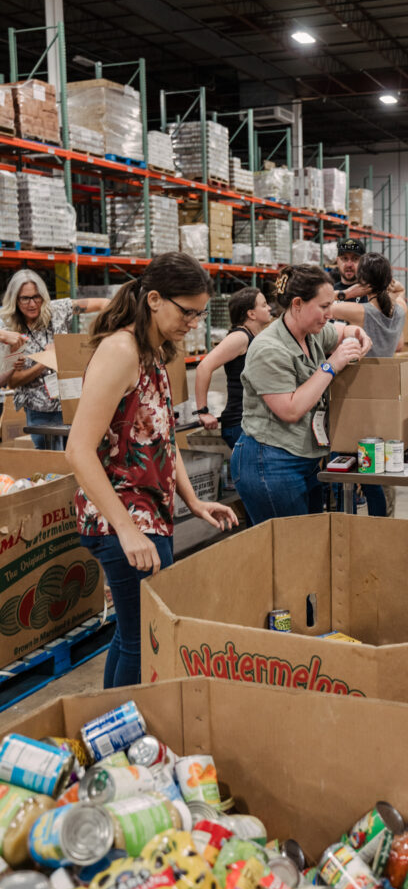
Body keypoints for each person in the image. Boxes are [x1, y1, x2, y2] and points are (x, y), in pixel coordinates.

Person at [66, 252, 238, 688]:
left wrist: (193, 501)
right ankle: (120, 740)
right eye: (188, 312)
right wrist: (126, 529)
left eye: (200, 314)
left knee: (131, 636)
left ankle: (107, 730)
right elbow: (78, 450)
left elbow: (160, 437)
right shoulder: (121, 351)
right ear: (155, 299)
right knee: (143, 639)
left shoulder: (152, 351)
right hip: (122, 518)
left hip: (148, 515)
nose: (194, 323)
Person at [231, 264, 372, 526]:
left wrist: (356, 332)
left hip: (304, 459)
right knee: (288, 549)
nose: (330, 314)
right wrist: (332, 365)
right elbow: (291, 409)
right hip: (270, 463)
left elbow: (340, 331)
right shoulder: (268, 349)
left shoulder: (311, 334)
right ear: (297, 304)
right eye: (323, 306)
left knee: (307, 544)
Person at [330, 251, 407, 518]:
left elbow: (323, 305)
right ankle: (382, 523)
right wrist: (384, 284)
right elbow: (399, 291)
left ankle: (347, 521)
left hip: (357, 391)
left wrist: (347, 293)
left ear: (363, 282)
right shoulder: (400, 309)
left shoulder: (360, 311)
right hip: (384, 392)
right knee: (377, 467)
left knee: (345, 463)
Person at [0, 269, 109, 449]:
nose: (32, 303)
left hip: (71, 401)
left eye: (37, 297)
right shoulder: (10, 327)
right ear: (15, 299)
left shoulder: (57, 310)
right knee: (49, 465)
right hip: (39, 410)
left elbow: (104, 303)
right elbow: (14, 381)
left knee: (75, 457)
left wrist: (105, 333)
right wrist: (44, 362)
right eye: (25, 298)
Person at [194, 287, 273, 449]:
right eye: (264, 305)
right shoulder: (240, 337)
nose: (270, 308)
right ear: (251, 314)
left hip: (251, 422)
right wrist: (203, 411)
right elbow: (204, 367)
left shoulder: (255, 336)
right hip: (239, 424)